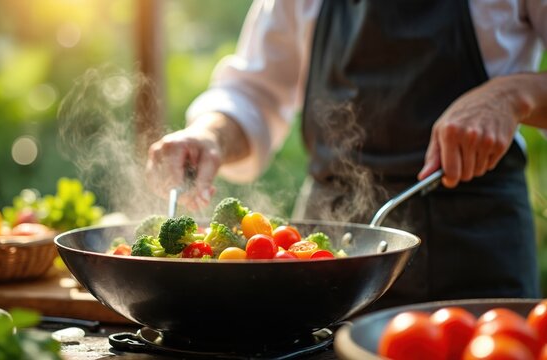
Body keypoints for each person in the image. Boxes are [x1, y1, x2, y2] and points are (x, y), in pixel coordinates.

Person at [145, 0, 547, 308]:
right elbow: (254, 92)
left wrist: (516, 94)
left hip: (476, 252)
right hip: (328, 265)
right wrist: (209, 135)